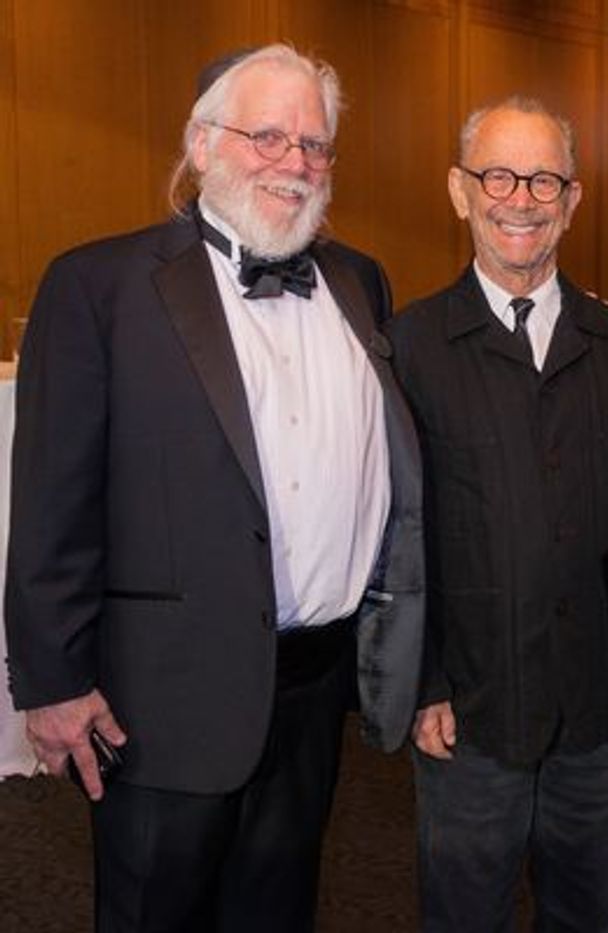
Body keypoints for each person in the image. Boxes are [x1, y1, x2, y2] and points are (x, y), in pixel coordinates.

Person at [4, 44, 424, 932]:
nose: (295, 163)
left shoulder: (358, 281)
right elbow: (52, 503)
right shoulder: (99, 286)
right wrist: (51, 682)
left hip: (314, 688)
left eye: (315, 145)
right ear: (200, 143)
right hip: (161, 699)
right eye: (267, 135)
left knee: (279, 908)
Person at [386, 96, 608, 933]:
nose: (522, 198)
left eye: (544, 179)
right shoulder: (407, 349)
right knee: (465, 913)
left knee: (588, 909)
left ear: (572, 201)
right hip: (469, 708)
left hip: (598, 703)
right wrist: (419, 681)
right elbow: (395, 532)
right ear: (459, 191)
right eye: (498, 175)